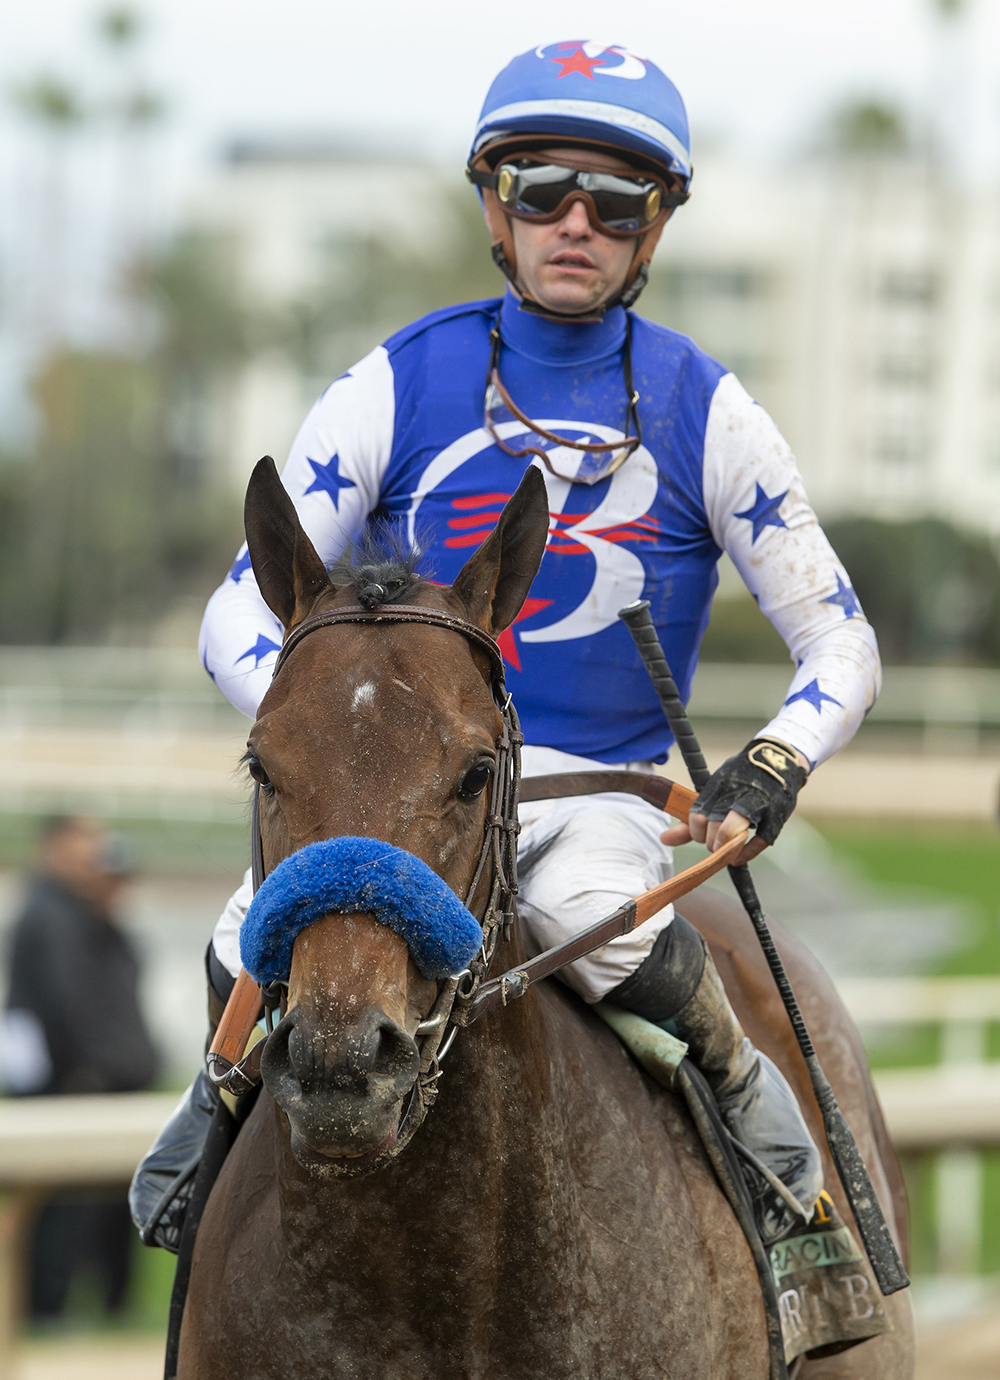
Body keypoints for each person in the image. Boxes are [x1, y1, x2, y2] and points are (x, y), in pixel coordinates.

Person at [132, 42, 880, 1254]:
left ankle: (754, 1117)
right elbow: (237, 608)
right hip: (397, 796)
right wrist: (327, 726)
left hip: (600, 803)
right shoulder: (394, 382)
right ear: (496, 204)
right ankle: (216, 1130)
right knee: (238, 930)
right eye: (542, 190)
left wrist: (774, 764)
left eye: (615, 201)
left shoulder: (708, 407)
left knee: (590, 898)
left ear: (656, 226)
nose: (574, 223)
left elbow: (838, 637)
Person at [3, 815, 158, 1320]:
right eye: (84, 842)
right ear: (56, 847)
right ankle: (48, 1310)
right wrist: (92, 1071)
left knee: (97, 1212)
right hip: (74, 1085)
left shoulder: (87, 917)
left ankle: (85, 1307)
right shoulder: (52, 915)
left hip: (95, 1080)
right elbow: (69, 1005)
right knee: (62, 1213)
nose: (94, 856)